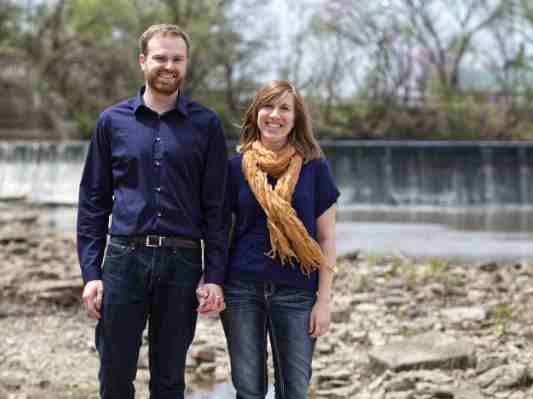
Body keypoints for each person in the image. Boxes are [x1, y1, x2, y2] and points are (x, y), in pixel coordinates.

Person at [77, 24, 227, 399]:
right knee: (114, 375)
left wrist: (214, 275)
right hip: (124, 259)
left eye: (177, 59)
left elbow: (217, 208)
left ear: (186, 64)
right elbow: (94, 202)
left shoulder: (206, 125)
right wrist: (91, 273)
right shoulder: (112, 122)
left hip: (182, 261)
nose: (168, 66)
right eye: (160, 57)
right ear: (143, 61)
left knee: (169, 379)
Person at [220, 80, 340, 399]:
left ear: (296, 118)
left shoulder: (315, 169)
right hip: (241, 290)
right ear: (255, 114)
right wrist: (212, 282)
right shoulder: (233, 169)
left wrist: (324, 301)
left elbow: (327, 240)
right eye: (267, 106)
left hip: (298, 291)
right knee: (248, 389)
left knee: (295, 390)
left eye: (284, 108)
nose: (275, 115)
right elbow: (219, 233)